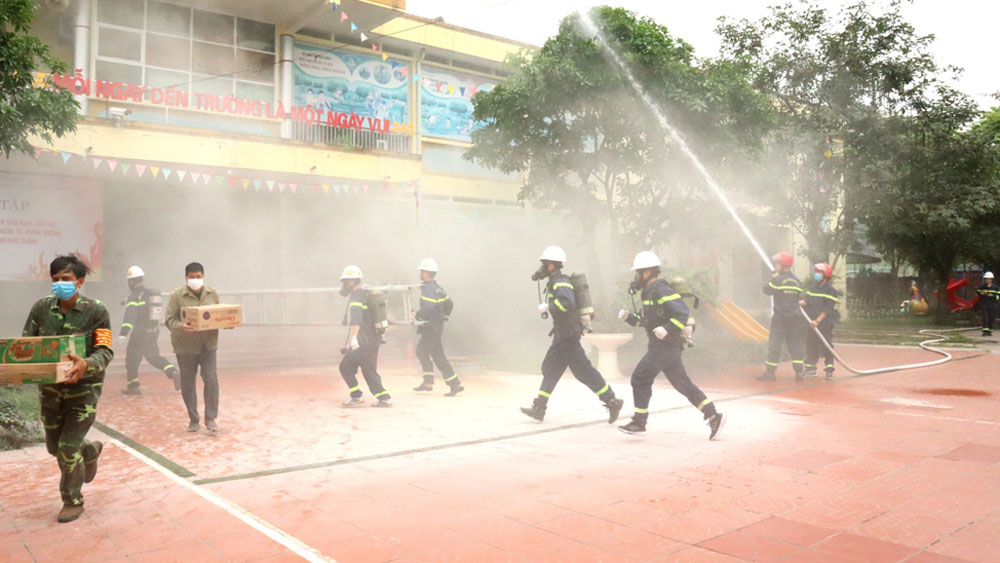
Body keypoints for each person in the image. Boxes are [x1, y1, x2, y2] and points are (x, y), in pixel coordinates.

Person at [22, 255, 114, 522]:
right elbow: (27, 344)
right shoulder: (40, 309)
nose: (60, 284)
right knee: (54, 447)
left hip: (83, 391)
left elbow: (105, 350)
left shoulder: (97, 311)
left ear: (80, 282)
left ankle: (72, 499)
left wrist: (86, 364)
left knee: (66, 446)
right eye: (55, 280)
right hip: (50, 390)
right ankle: (90, 450)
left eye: (66, 279)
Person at [617, 251, 725, 439]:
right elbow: (647, 322)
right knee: (683, 384)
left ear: (647, 272)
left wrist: (667, 328)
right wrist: (629, 318)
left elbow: (682, 314)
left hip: (664, 346)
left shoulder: (661, 290)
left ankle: (639, 421)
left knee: (639, 378)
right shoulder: (649, 292)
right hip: (666, 346)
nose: (635, 277)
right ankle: (713, 415)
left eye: (638, 272)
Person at [520, 246, 623, 423]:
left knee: (584, 372)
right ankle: (539, 407)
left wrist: (549, 307)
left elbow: (566, 303)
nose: (542, 267)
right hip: (562, 335)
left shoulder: (560, 282)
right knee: (550, 369)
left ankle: (612, 400)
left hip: (568, 336)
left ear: (552, 266)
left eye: (544, 264)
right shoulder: (557, 280)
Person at [165, 262, 220, 432]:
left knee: (211, 379)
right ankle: (193, 419)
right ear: (186, 277)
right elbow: (169, 320)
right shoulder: (177, 296)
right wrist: (182, 326)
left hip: (208, 344)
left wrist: (227, 323)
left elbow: (219, 315)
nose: (195, 280)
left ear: (203, 276)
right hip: (185, 346)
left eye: (198, 277)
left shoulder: (212, 294)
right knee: (188, 383)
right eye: (192, 277)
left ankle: (210, 418)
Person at [119, 265, 179, 395]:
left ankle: (133, 386)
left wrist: (123, 333)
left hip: (140, 332)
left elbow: (130, 315)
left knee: (132, 358)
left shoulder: (135, 296)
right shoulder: (148, 293)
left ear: (131, 281)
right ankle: (172, 372)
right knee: (154, 357)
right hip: (153, 331)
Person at [338, 265, 392, 407]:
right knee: (367, 369)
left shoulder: (357, 296)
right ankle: (380, 397)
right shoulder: (365, 293)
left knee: (346, 367)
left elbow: (357, 319)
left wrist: (354, 338)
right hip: (373, 339)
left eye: (345, 281)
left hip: (363, 340)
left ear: (351, 281)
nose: (344, 284)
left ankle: (360, 396)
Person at [412, 258, 463, 396]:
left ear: (426, 273)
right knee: (421, 351)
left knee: (438, 356)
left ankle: (455, 383)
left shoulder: (428, 289)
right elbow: (450, 304)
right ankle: (428, 382)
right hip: (434, 327)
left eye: (422, 271)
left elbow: (428, 308)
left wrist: (416, 313)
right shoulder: (438, 289)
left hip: (430, 328)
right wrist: (443, 318)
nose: (421, 273)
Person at [759, 251, 805, 381]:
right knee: (795, 344)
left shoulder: (777, 279)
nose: (775, 265)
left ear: (782, 264)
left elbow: (767, 290)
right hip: (795, 318)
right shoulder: (796, 281)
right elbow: (797, 297)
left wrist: (774, 277)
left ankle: (770, 373)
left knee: (775, 344)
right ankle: (799, 372)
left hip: (780, 319)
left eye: (777, 263)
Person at [801, 263, 839, 379]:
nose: (816, 274)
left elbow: (827, 309)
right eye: (816, 272)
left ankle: (829, 369)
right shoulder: (812, 289)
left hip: (824, 323)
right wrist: (798, 302)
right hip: (811, 322)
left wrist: (817, 321)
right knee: (811, 344)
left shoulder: (831, 291)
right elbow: (806, 302)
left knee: (826, 345)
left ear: (826, 275)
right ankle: (811, 368)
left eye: (819, 272)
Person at [976, 272, 999, 336]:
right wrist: (981, 294)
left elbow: (998, 296)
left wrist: (993, 296)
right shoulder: (982, 287)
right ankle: (985, 331)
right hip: (984, 304)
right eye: (986, 279)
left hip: (993, 305)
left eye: (989, 279)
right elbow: (978, 294)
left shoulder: (996, 288)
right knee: (985, 318)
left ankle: (989, 330)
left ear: (992, 279)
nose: (988, 280)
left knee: (992, 318)